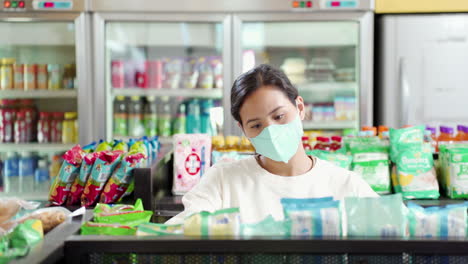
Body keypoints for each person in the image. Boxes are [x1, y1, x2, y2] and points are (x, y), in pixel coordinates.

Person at [167, 64, 377, 224]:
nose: (271, 131)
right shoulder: (223, 181)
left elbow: (399, 238)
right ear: (244, 131)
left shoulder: (346, 185)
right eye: (256, 125)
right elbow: (183, 232)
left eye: (278, 116)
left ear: (300, 107)